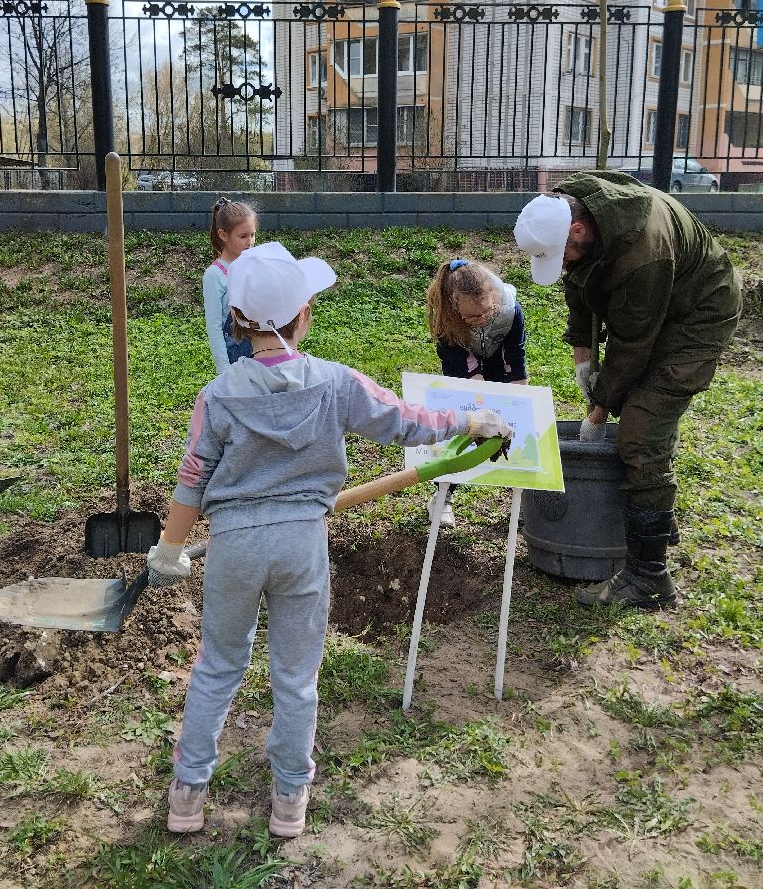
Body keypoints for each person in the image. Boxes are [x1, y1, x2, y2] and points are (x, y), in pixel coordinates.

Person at [146, 241, 513, 837]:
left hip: (234, 547)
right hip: (301, 545)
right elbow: (402, 419)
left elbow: (192, 478)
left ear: (236, 320)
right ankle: (290, 800)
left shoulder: (216, 396)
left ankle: (188, 793)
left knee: (218, 667)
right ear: (304, 312)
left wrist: (168, 549)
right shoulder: (335, 382)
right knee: (295, 676)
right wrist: (467, 419)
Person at [514, 173, 742, 610]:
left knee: (640, 430)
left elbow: (632, 345)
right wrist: (583, 359)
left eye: (562, 255)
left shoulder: (642, 254)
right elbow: (580, 281)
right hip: (657, 299)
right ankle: (653, 519)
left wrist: (600, 407)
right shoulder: (574, 204)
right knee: (639, 419)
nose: (561, 264)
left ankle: (648, 576)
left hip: (698, 313)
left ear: (577, 230)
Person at [425, 257, 528, 527]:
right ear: (455, 309)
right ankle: (442, 496)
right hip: (461, 371)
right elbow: (461, 364)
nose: (481, 321)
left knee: (515, 426)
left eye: (486, 313)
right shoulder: (445, 320)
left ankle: (523, 498)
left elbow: (514, 355)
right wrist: (478, 390)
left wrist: (517, 390)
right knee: (462, 430)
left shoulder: (510, 311)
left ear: (494, 297)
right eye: (471, 317)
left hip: (497, 365)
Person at [202, 198, 257, 373]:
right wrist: (223, 369)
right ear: (223, 235)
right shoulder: (215, 275)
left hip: (261, 351)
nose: (250, 242)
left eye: (253, 235)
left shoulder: (255, 265)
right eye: (243, 236)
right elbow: (214, 327)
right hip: (234, 361)